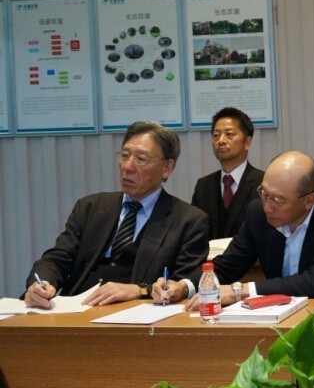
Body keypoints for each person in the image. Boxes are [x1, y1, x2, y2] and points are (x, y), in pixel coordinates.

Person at [24, 121, 208, 308]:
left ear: (166, 168)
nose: (127, 167)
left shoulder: (188, 221)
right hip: (75, 309)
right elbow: (57, 258)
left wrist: (140, 289)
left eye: (141, 159)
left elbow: (181, 285)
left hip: (136, 314)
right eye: (125, 155)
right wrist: (42, 284)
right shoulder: (90, 208)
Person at [157, 151, 314, 305]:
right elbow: (229, 264)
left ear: (309, 200)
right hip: (278, 314)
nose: (267, 207)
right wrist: (185, 286)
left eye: (278, 200)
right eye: (264, 193)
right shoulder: (258, 212)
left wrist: (240, 291)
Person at [191, 107, 264, 239]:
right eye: (216, 135)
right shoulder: (203, 186)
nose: (221, 141)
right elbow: (194, 231)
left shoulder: (264, 183)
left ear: (247, 142)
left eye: (229, 134)